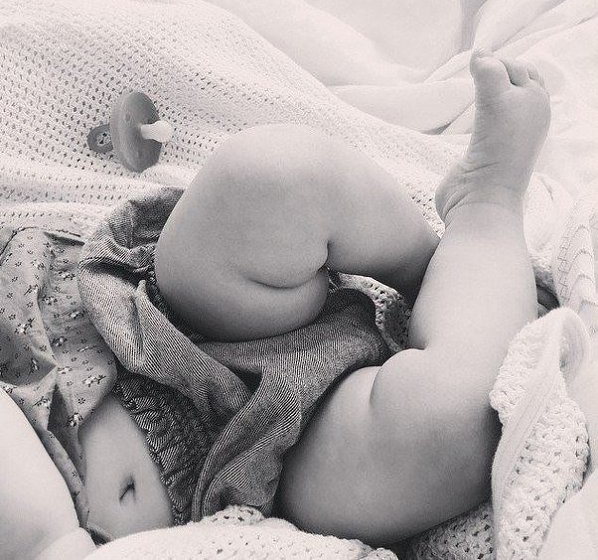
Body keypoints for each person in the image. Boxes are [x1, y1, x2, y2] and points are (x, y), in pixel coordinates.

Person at [1, 50, 552, 559]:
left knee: (268, 180)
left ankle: (427, 266)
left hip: (145, 317)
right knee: (446, 431)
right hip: (250, 472)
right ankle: (486, 211)